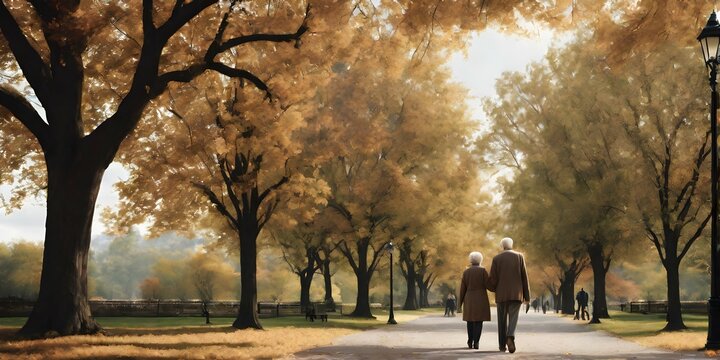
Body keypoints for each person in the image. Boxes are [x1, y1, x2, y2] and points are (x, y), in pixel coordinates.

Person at [489, 237, 530, 354]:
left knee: (501, 321)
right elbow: (524, 277)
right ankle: (510, 336)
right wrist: (527, 297)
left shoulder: (496, 259)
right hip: (516, 294)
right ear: (512, 245)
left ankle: (502, 346)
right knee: (513, 318)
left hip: (501, 295)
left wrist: (491, 287)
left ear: (502, 246)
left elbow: (493, 279)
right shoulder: (519, 256)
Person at [458, 251, 492, 350]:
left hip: (469, 298)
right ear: (480, 260)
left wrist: (459, 303)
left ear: (471, 260)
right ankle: (476, 342)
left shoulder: (466, 272)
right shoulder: (483, 271)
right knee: (479, 321)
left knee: (470, 320)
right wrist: (497, 287)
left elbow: (462, 289)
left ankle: (470, 340)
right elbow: (488, 285)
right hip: (481, 298)